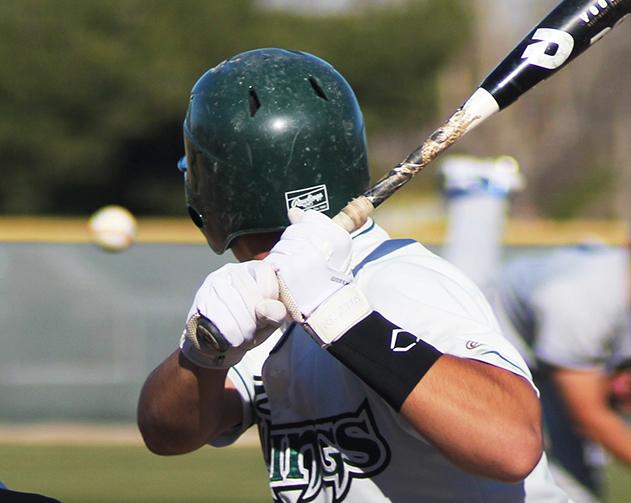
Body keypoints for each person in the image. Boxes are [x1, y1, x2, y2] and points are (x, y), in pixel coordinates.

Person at [137, 48, 571, 502]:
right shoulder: (262, 299)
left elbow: (512, 445)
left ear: (217, 187)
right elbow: (167, 434)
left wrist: (342, 318)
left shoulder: (400, 280)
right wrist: (202, 354)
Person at [441, 162, 631, 503]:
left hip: (558, 353)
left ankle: (479, 193)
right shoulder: (582, 297)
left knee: (577, 493)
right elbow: (586, 412)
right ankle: (477, 194)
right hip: (496, 325)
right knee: (458, 291)